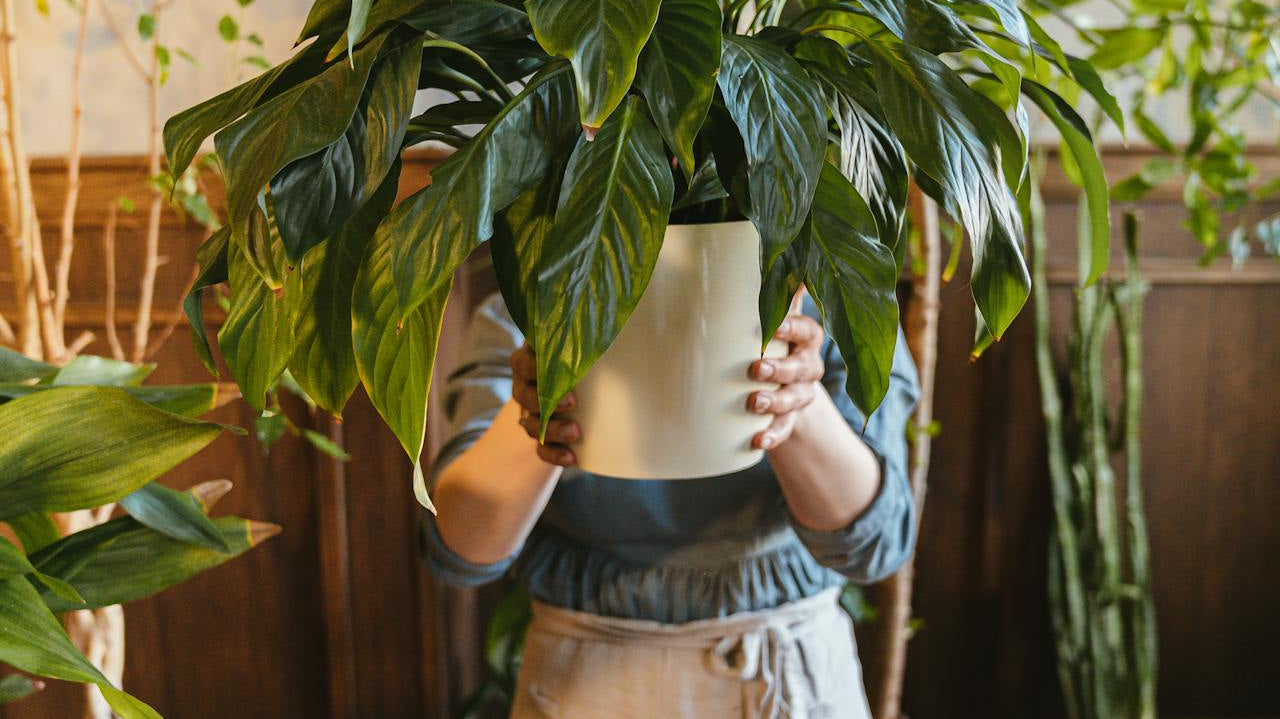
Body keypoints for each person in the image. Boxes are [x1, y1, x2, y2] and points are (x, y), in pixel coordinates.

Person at [421, 291, 920, 719]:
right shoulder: (526, 312)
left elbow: (873, 543)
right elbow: (464, 548)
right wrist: (539, 400)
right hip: (580, 684)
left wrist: (796, 399)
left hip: (787, 677)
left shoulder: (836, 304)